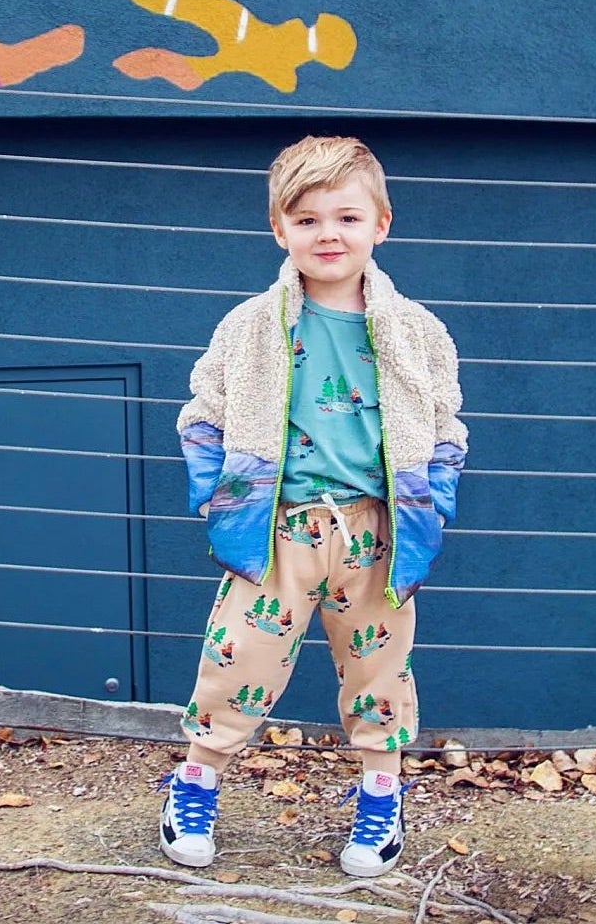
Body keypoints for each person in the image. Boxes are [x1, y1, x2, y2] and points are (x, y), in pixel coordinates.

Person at [159, 135, 467, 878]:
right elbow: (203, 415)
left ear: (381, 224)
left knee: (380, 671)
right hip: (278, 530)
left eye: (347, 217)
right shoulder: (248, 327)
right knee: (238, 658)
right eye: (307, 219)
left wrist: (433, 503)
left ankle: (381, 796)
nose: (328, 234)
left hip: (377, 532)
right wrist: (222, 501)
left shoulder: (419, 332)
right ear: (279, 229)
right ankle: (195, 781)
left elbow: (446, 424)